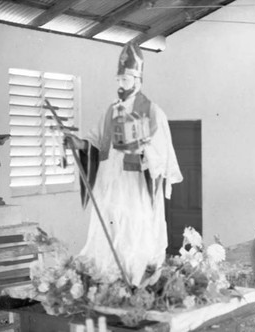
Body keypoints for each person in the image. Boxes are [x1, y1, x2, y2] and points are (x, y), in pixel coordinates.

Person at [66, 42, 183, 287]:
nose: (120, 84)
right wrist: (78, 143)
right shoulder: (110, 111)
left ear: (137, 79)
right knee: (107, 230)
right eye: (118, 79)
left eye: (125, 79)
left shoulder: (152, 111)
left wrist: (140, 149)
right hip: (108, 183)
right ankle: (107, 279)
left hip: (134, 185)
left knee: (132, 232)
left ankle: (133, 280)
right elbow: (96, 142)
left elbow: (161, 155)